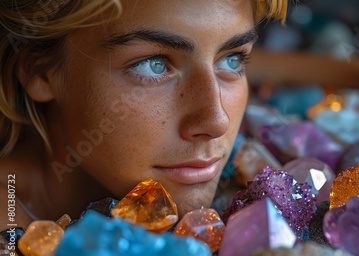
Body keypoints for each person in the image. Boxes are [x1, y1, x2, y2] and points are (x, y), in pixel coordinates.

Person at [0, 0, 288, 229]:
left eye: (232, 58)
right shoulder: (8, 240)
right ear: (40, 70)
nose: (217, 121)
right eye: (153, 65)